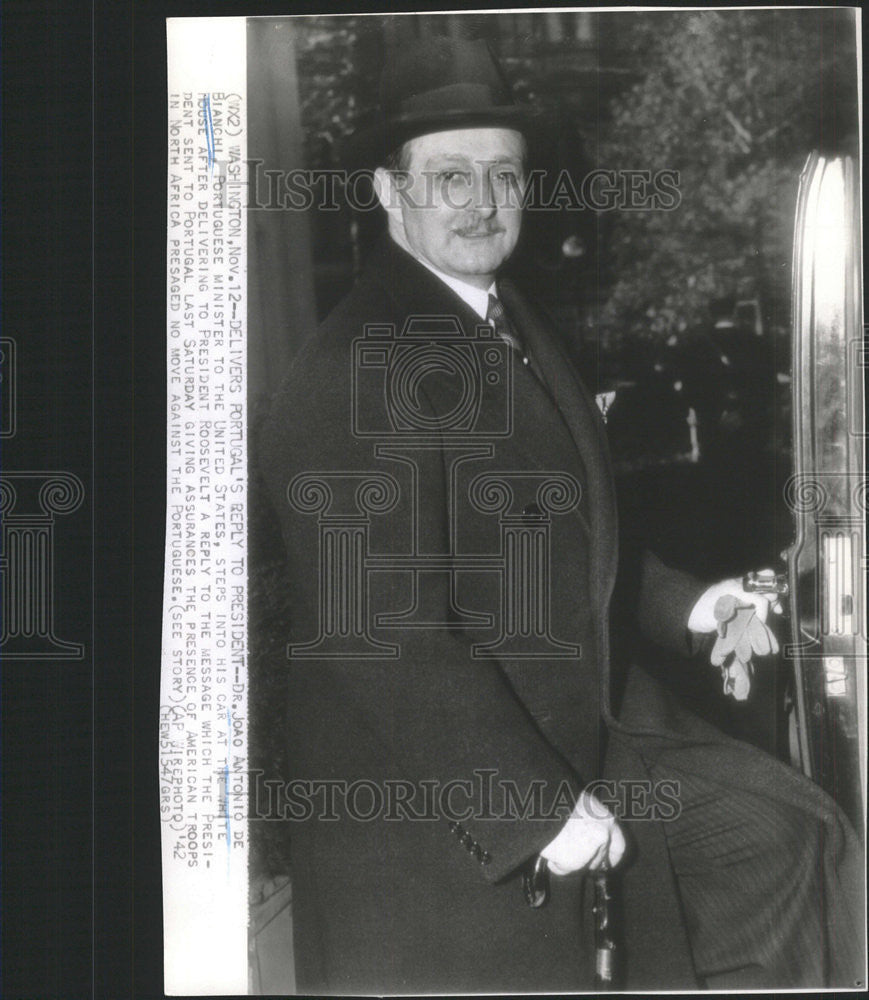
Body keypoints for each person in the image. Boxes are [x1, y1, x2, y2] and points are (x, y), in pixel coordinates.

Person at [258, 38, 862, 994]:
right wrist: (536, 808)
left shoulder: (505, 322)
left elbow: (558, 543)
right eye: (449, 177)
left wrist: (694, 607)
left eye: (503, 175)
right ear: (387, 194)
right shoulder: (359, 366)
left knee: (791, 837)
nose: (482, 202)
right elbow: (383, 637)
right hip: (440, 815)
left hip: (575, 736)